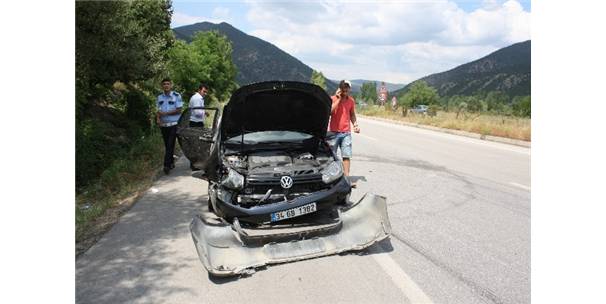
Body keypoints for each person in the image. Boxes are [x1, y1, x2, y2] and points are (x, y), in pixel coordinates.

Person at [328, 80, 360, 186]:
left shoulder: (351, 101)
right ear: (340, 88)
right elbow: (330, 112)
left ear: (349, 89)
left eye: (347, 88)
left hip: (346, 132)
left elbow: (352, 114)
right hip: (333, 132)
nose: (345, 90)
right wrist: (338, 99)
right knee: (331, 156)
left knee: (346, 156)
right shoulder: (333, 99)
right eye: (343, 88)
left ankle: (346, 179)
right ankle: (332, 179)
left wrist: (355, 125)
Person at [156, 78, 183, 174]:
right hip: (163, 125)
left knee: (170, 144)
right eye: (164, 84)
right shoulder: (160, 97)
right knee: (167, 145)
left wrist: (165, 113)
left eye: (168, 84)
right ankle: (171, 162)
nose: (166, 85)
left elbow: (179, 110)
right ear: (162, 86)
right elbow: (158, 110)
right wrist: (158, 118)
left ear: (171, 85)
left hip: (174, 125)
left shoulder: (177, 96)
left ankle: (166, 165)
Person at [188, 83, 209, 171]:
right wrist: (205, 112)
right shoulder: (197, 98)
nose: (205, 93)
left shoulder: (197, 98)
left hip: (196, 122)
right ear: (199, 90)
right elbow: (197, 113)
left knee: (196, 143)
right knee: (196, 144)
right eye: (204, 91)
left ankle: (195, 163)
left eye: (206, 92)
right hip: (196, 123)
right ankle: (194, 164)